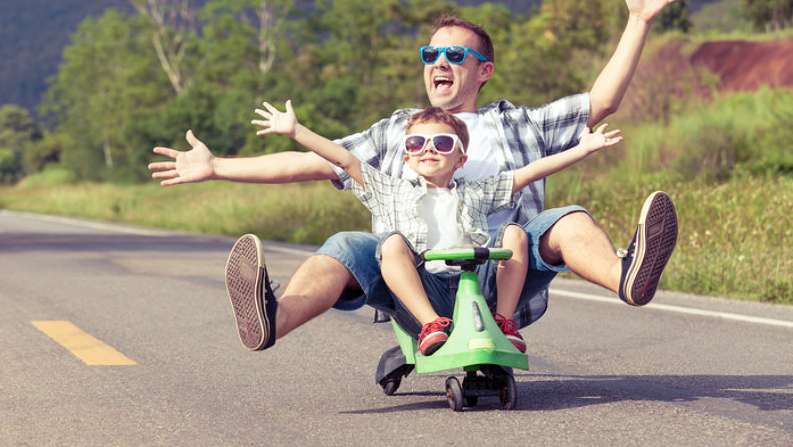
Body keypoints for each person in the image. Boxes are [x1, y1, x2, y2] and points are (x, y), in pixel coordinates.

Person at [150, 0, 685, 352]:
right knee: (345, 245)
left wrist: (638, 20)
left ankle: (627, 277)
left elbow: (603, 101)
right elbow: (320, 162)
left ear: (484, 70)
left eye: (456, 54)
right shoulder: (399, 131)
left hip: (504, 276)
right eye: (431, 54)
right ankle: (271, 317)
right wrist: (218, 166)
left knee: (566, 219)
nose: (439, 62)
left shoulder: (519, 123)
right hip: (415, 279)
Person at [252, 99, 623, 355]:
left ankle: (505, 323)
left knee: (514, 233)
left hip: (477, 288)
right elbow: (345, 160)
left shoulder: (477, 193)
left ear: (460, 158)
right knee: (393, 243)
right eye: (417, 142)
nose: (428, 148)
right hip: (422, 293)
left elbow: (528, 173)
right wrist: (297, 131)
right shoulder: (390, 190)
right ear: (408, 156)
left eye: (442, 143)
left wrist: (582, 150)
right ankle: (431, 327)